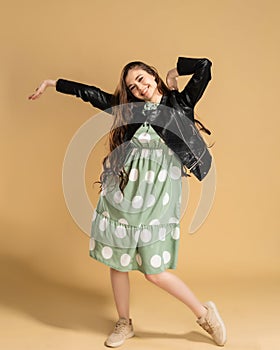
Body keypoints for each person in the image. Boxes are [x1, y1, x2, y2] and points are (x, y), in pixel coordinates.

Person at [28, 56, 227, 347]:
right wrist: (52, 83)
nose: (139, 88)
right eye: (133, 87)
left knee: (153, 271)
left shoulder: (179, 103)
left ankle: (205, 315)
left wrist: (174, 72)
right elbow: (91, 94)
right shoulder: (128, 109)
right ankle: (124, 322)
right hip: (125, 190)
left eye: (142, 79)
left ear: (153, 76)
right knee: (119, 260)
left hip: (159, 193)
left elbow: (205, 66)